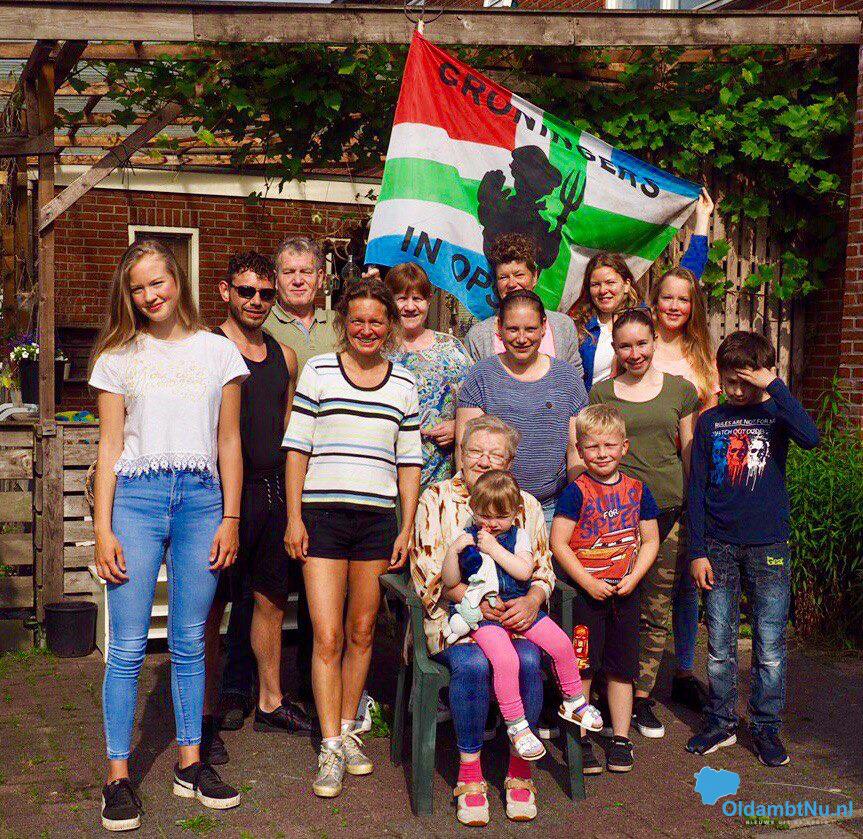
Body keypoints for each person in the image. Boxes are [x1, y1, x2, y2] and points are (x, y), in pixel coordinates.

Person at [90, 240, 247, 831]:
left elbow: (228, 440)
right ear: (128, 296)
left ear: (178, 279)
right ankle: (118, 776)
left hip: (203, 502)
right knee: (128, 647)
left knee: (189, 640)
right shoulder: (117, 357)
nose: (150, 296)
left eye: (158, 282)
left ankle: (189, 763)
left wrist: (231, 517)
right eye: (138, 289)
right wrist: (102, 528)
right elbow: (109, 447)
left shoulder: (219, 352)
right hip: (136, 498)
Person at [283, 277, 422, 799]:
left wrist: (406, 526)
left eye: (376, 321)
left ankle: (345, 732)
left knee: (363, 632)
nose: (366, 330)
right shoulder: (319, 371)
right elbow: (297, 449)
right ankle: (328, 745)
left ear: (390, 326)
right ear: (344, 322)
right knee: (327, 636)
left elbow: (409, 462)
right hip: (321, 518)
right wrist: (294, 518)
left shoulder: (403, 384)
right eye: (357, 320)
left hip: (376, 522)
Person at [412, 415, 555, 825]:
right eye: (475, 451)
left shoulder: (525, 504)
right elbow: (425, 571)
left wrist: (533, 599)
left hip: (514, 618)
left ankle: (520, 772)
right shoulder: (436, 498)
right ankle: (470, 775)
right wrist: (472, 601)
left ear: (509, 462)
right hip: (454, 619)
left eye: (495, 454)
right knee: (473, 664)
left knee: (528, 659)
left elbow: (543, 567)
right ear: (460, 454)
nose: (484, 461)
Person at [686, 332, 818, 767]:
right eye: (731, 381)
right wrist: (697, 550)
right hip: (718, 546)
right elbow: (697, 489)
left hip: (769, 546)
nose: (738, 391)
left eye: (747, 382)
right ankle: (720, 721)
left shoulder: (776, 413)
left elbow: (811, 438)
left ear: (762, 376)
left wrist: (774, 386)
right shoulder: (710, 421)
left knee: (770, 644)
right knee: (719, 643)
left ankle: (765, 727)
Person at [202, 252, 314, 766]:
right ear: (226, 291)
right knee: (210, 608)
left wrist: (293, 507)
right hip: (221, 495)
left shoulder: (284, 356)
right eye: (246, 291)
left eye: (266, 294)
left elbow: (289, 433)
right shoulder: (207, 349)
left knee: (270, 598)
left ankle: (270, 700)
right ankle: (204, 715)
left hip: (270, 492)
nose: (256, 301)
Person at [589, 308, 700, 739]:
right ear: (614, 348)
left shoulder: (680, 390)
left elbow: (687, 450)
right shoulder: (602, 392)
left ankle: (640, 696)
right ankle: (605, 690)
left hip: (669, 512)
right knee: (613, 606)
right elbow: (593, 448)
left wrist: (694, 506)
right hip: (616, 517)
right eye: (625, 346)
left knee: (656, 607)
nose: (634, 353)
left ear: (654, 341)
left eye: (641, 343)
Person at [441, 470, 603, 761]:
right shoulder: (467, 538)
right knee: (507, 659)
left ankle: (573, 700)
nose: (492, 524)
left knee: (561, 643)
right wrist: (453, 553)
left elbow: (524, 571)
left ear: (515, 513)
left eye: (501, 517)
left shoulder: (519, 536)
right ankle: (517, 725)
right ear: (473, 509)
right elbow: (450, 582)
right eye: (484, 516)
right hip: (485, 614)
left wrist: (493, 549)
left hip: (518, 606)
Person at [551, 404, 660, 774]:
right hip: (586, 595)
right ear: (580, 451)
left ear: (624, 447)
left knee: (621, 669)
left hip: (624, 594)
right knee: (582, 668)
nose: (601, 453)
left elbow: (650, 540)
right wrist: (587, 582)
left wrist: (634, 577)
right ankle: (580, 738)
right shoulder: (575, 492)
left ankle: (621, 738)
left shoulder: (639, 490)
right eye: (592, 447)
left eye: (609, 445)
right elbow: (559, 543)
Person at [455, 290, 588, 530]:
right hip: (492, 510)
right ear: (499, 328)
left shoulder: (567, 378)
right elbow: (464, 448)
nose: (522, 338)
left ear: (544, 327)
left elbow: (575, 450)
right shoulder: (481, 375)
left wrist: (574, 510)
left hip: (551, 509)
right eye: (513, 329)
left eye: (530, 329)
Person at [649, 264, 720, 714]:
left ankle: (683, 672)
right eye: (667, 297)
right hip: (645, 477)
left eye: (683, 299)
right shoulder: (641, 345)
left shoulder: (701, 357)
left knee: (686, 582)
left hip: (689, 476)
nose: (674, 306)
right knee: (644, 578)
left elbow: (708, 423)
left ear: (693, 307)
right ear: (654, 302)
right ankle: (633, 676)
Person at [572, 189, 714, 391]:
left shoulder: (645, 317)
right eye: (596, 284)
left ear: (626, 284)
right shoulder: (580, 327)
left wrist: (702, 218)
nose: (603, 290)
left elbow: (686, 277)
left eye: (610, 282)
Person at [386, 262, 472, 489]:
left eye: (417, 298)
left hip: (439, 481)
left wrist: (458, 426)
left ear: (429, 300)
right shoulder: (378, 351)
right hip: (386, 479)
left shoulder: (451, 349)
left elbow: (477, 405)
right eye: (401, 298)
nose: (410, 307)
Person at [464, 232, 586, 381]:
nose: (511, 283)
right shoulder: (478, 337)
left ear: (535, 277)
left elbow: (575, 381)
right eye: (503, 277)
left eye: (519, 275)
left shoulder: (563, 326)